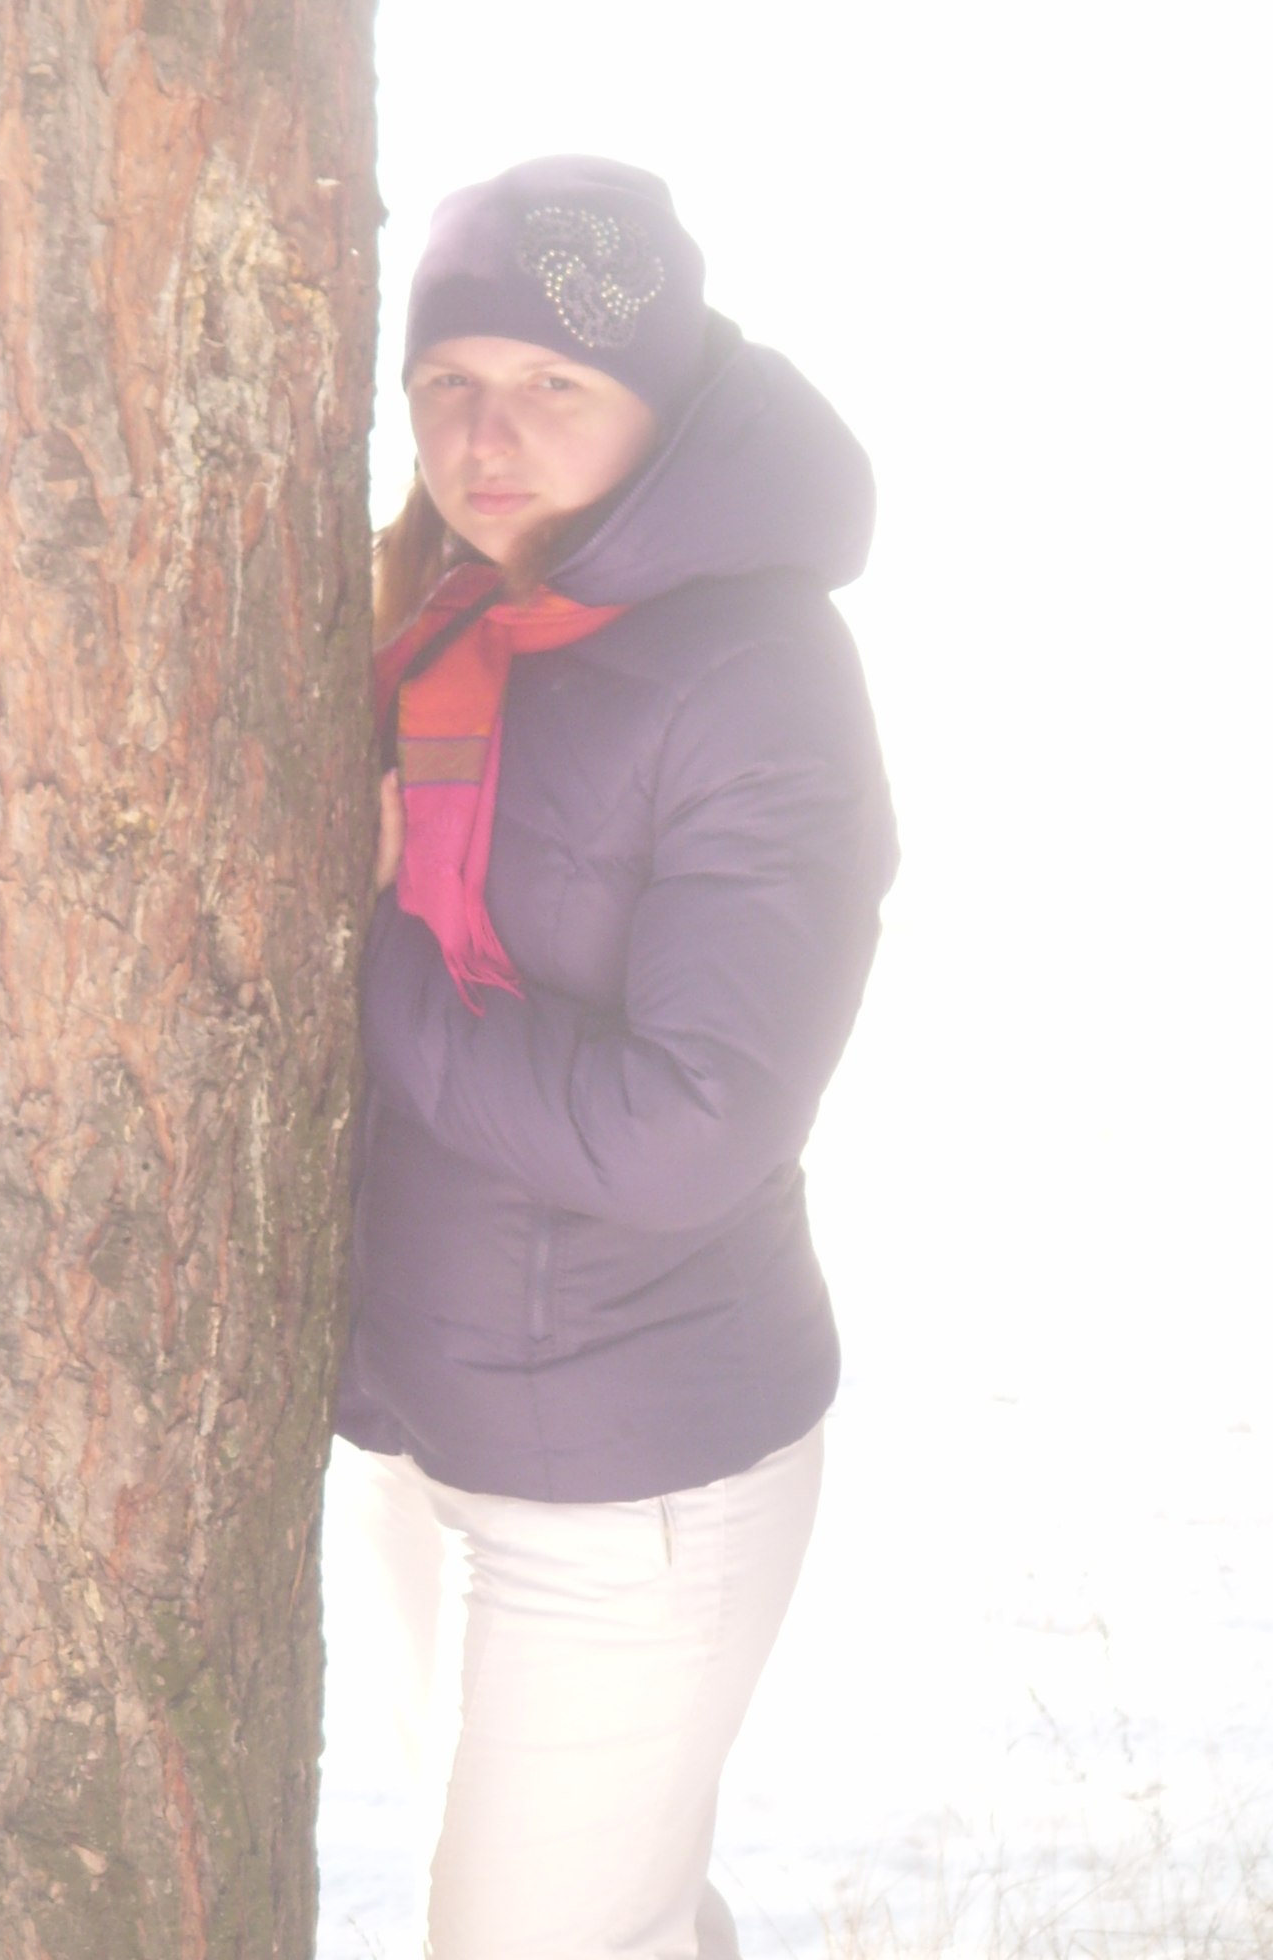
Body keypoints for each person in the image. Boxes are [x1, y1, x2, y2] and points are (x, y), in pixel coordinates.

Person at [330, 156, 898, 1960]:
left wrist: (364, 955)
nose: (484, 435)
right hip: (425, 1428)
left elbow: (687, 1129)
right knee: (608, 1917)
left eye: (552, 382)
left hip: (631, 1481)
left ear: (662, 399)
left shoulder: (757, 674)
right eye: (446, 381)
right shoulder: (439, 614)